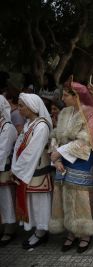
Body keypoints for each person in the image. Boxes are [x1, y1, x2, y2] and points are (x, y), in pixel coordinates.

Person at [49, 80, 93, 253]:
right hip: (62, 160)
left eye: (65, 95)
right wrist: (55, 158)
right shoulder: (64, 112)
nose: (62, 98)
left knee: (80, 197)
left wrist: (60, 152)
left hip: (81, 160)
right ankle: (71, 230)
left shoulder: (91, 114)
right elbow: (54, 135)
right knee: (64, 194)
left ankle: (85, 232)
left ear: (76, 96)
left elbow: (86, 140)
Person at [11, 93, 53, 249]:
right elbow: (18, 147)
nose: (19, 109)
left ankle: (41, 233)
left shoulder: (41, 126)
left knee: (39, 204)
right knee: (32, 203)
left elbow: (32, 152)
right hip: (27, 171)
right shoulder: (30, 123)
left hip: (36, 172)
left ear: (32, 107)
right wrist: (17, 167)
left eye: (21, 106)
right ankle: (37, 230)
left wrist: (17, 169)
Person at [0, 95, 18, 246]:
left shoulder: (8, 127)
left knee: (6, 200)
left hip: (4, 170)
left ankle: (9, 229)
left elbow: (3, 151)